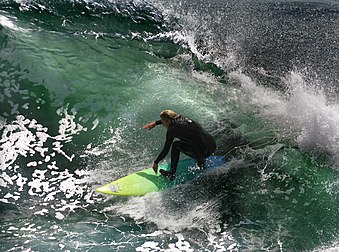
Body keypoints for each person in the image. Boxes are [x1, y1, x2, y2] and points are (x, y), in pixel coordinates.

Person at [143, 110, 216, 180]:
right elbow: (169, 119)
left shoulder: (172, 130)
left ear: (167, 121)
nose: (162, 124)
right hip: (212, 146)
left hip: (204, 153)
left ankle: (171, 174)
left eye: (162, 121)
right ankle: (201, 160)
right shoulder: (183, 118)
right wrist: (155, 123)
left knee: (176, 145)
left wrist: (156, 162)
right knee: (191, 138)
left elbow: (166, 150)